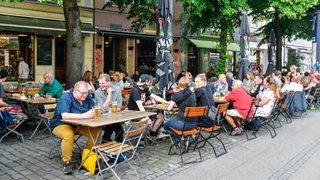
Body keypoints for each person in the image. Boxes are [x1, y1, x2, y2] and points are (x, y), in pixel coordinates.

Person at [49, 81, 100, 175]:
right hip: (60, 124)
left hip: (79, 125)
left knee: (97, 130)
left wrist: (93, 112)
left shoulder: (87, 96)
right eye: (82, 93)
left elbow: (93, 108)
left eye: (86, 93)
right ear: (75, 91)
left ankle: (87, 156)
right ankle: (67, 162)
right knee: (68, 134)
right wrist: (85, 115)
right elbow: (64, 116)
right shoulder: (66, 97)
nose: (85, 95)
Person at [127, 74, 168, 146]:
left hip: (142, 111)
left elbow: (155, 97)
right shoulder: (135, 90)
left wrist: (167, 102)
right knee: (146, 121)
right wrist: (146, 117)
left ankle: (152, 132)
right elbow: (139, 105)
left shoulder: (145, 89)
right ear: (146, 82)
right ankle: (141, 139)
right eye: (150, 82)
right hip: (133, 112)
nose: (151, 83)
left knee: (160, 116)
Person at [95, 73, 123, 143]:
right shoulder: (97, 92)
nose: (101, 85)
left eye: (103, 83)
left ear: (109, 81)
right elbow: (102, 109)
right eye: (100, 83)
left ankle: (118, 148)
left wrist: (108, 110)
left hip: (114, 117)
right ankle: (105, 144)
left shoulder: (117, 90)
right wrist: (109, 94)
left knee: (120, 130)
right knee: (109, 127)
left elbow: (119, 107)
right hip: (102, 118)